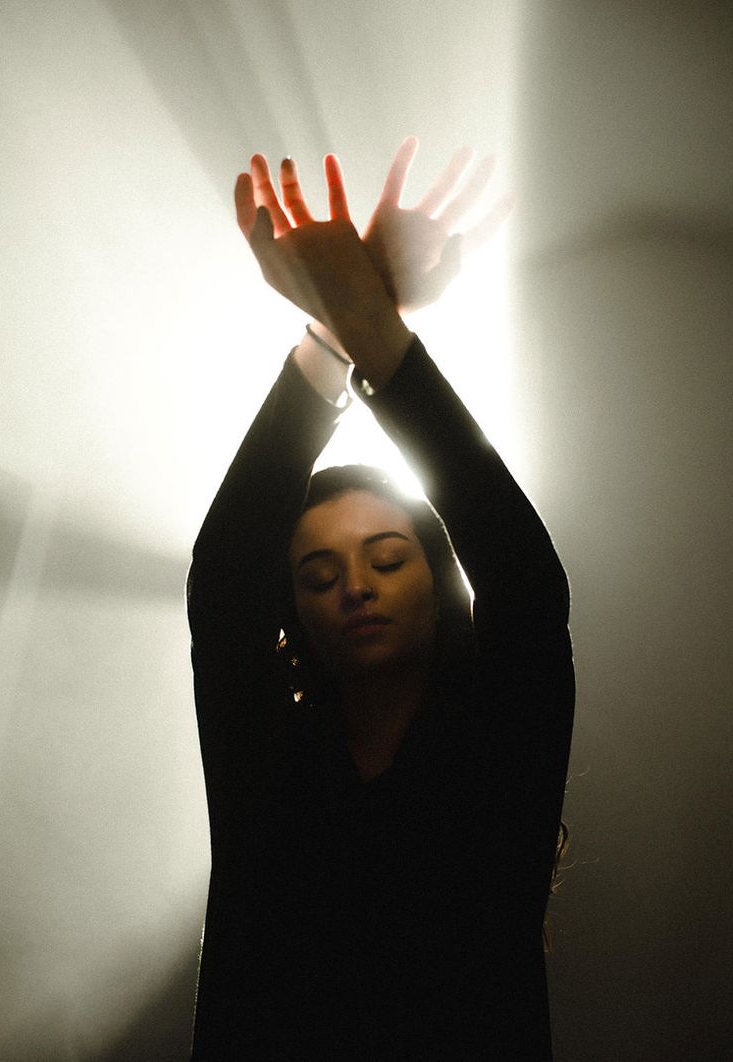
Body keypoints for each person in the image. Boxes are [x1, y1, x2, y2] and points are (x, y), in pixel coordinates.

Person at [186, 137, 574, 1060]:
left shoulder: (501, 740)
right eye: (317, 576)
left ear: (441, 586)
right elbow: (225, 579)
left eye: (387, 558)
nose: (352, 585)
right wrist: (334, 331)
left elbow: (522, 577)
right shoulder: (268, 755)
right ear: (296, 615)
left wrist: (377, 330)